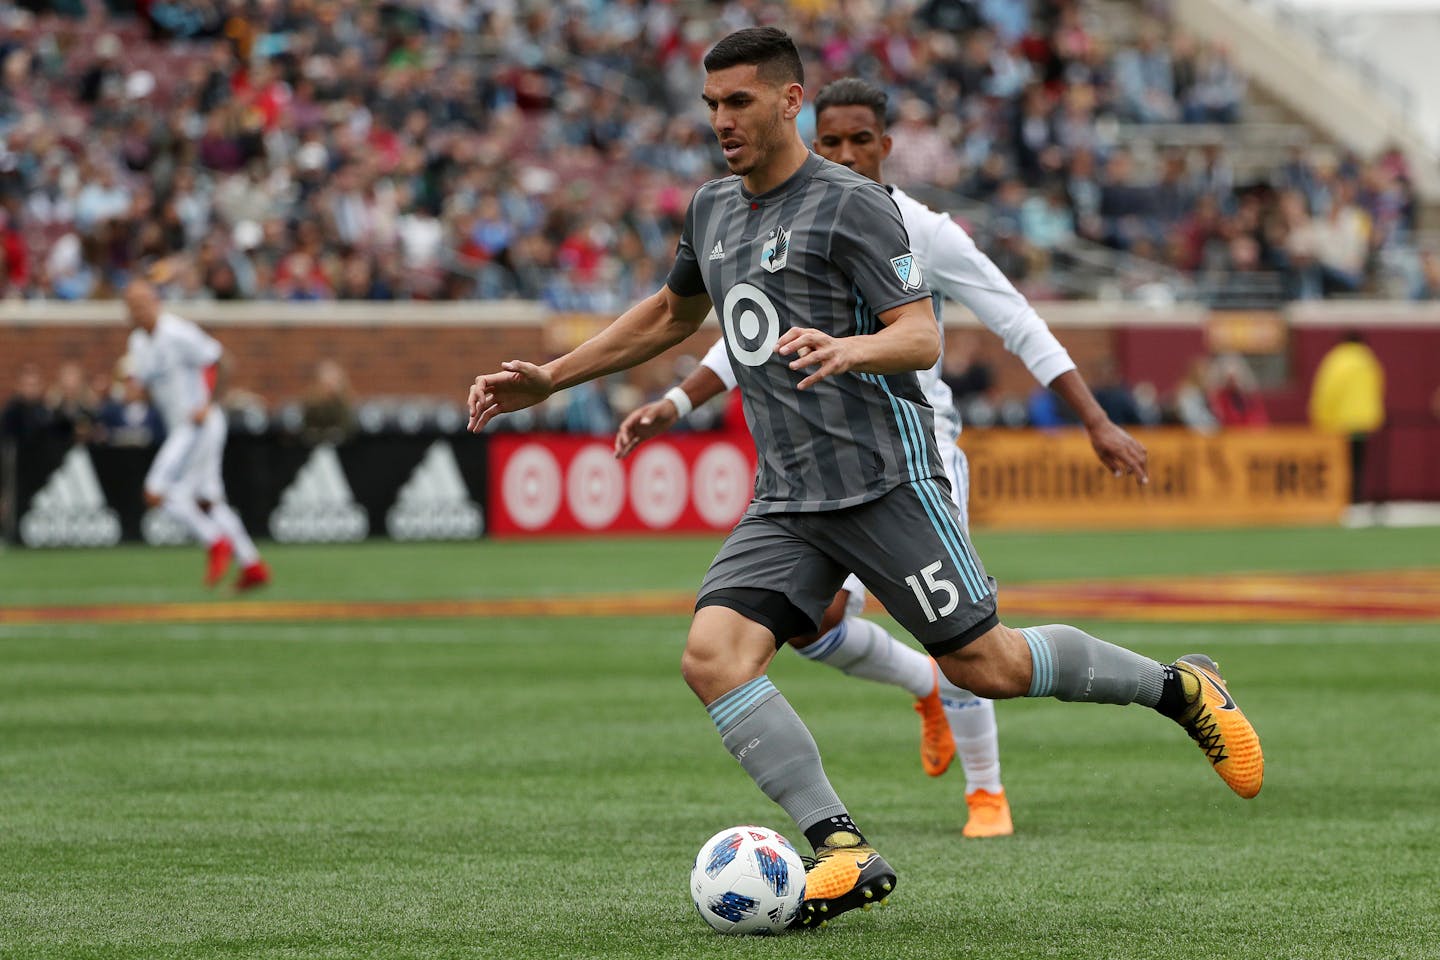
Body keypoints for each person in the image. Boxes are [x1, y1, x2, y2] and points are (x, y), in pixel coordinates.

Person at [466, 28, 1263, 930]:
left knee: (987, 665)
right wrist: (553, 376)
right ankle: (840, 848)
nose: (721, 120)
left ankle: (1180, 687)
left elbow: (922, 336)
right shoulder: (712, 209)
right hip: (789, 498)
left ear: (788, 100)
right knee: (712, 657)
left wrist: (851, 349)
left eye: (738, 102)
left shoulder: (852, 206)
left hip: (885, 479)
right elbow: (669, 313)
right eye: (710, 105)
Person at [613, 76, 1154, 841]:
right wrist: (673, 402)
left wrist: (1095, 420)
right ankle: (922, 691)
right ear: (809, 133)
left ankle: (985, 792)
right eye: (830, 140)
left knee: (972, 645)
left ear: (885, 145)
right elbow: (751, 335)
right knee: (810, 626)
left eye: (858, 139)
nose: (843, 153)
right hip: (816, 470)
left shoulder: (921, 229)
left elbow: (1016, 320)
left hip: (915, 454)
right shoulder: (785, 215)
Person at [123, 280, 270, 590]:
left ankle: (215, 540)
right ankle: (253, 565)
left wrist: (210, 403)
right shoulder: (138, 343)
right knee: (209, 502)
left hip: (198, 424)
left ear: (156, 302)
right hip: (181, 427)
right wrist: (135, 394)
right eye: (132, 306)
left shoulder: (176, 332)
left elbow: (222, 360)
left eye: (142, 303)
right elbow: (149, 389)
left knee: (156, 491)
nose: (137, 311)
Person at [1309, 329, 1385, 504]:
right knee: (1358, 461)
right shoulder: (1369, 361)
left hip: (1340, 422)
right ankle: (1356, 497)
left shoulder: (1337, 360)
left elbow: (1327, 391)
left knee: (1340, 462)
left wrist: (1321, 417)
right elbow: (1377, 388)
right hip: (1363, 421)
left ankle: (1343, 498)